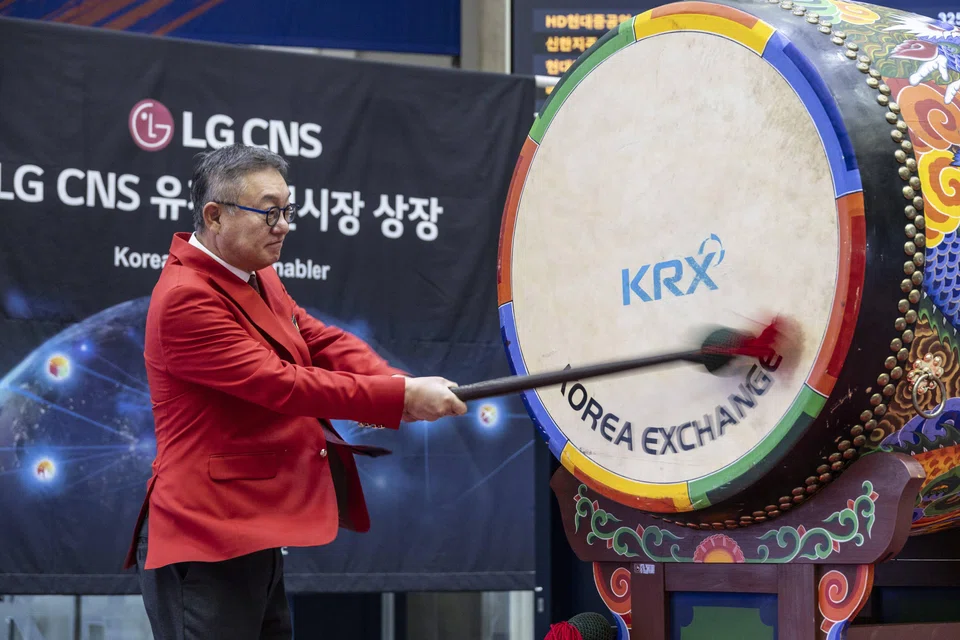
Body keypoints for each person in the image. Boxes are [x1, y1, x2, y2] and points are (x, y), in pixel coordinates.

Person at [123, 143, 467, 639]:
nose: (282, 225)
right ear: (214, 216)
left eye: (287, 211)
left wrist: (396, 383)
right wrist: (398, 400)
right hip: (206, 535)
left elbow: (317, 338)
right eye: (268, 213)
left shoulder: (256, 274)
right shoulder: (185, 298)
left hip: (250, 528)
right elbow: (280, 384)